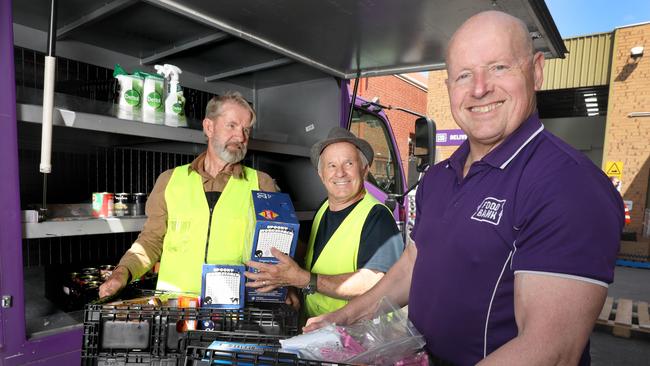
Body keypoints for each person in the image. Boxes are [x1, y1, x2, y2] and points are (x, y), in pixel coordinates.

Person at [304, 11, 624, 366]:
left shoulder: (568, 185)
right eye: (464, 75)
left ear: (536, 71)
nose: (479, 88)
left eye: (499, 67)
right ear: (449, 88)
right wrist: (344, 317)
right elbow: (413, 266)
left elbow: (551, 350)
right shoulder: (439, 178)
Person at [99, 92, 277, 298]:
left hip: (233, 310)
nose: (241, 137)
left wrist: (285, 287)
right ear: (209, 127)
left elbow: (274, 250)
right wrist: (122, 272)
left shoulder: (261, 183)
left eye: (246, 129)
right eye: (232, 125)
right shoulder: (169, 180)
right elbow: (151, 240)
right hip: (174, 309)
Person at [244, 127, 404, 318]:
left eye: (349, 163)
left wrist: (304, 280)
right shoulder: (323, 208)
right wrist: (288, 282)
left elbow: (375, 280)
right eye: (331, 166)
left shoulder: (377, 216)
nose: (340, 173)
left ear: (365, 169)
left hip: (359, 336)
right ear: (321, 175)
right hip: (321, 330)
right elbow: (306, 253)